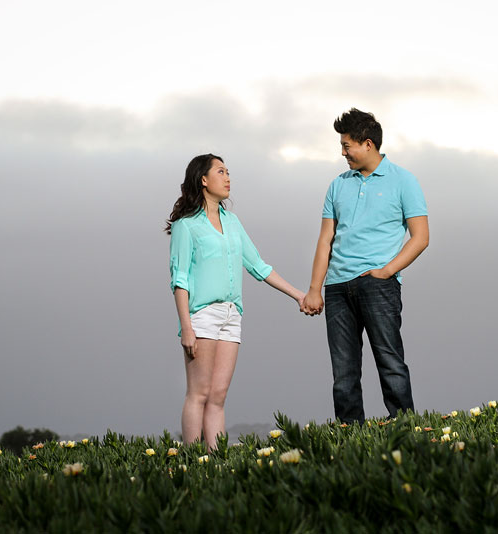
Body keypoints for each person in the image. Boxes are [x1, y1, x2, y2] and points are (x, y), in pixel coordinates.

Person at [166, 154, 305, 449]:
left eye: (228, 172)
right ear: (203, 180)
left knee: (218, 396)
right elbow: (180, 280)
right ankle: (191, 461)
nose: (228, 177)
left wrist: (299, 295)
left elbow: (259, 267)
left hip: (232, 316)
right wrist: (186, 328)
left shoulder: (233, 222)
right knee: (198, 394)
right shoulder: (186, 226)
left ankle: (215, 462)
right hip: (202, 316)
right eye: (221, 172)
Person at [301, 109, 429, 424]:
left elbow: (421, 237)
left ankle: (404, 426)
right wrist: (315, 289)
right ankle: (350, 434)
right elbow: (324, 241)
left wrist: (386, 271)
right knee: (343, 371)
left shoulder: (403, 180)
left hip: (378, 285)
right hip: (336, 289)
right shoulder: (337, 185)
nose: (343, 153)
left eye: (347, 146)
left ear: (368, 144)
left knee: (390, 361)